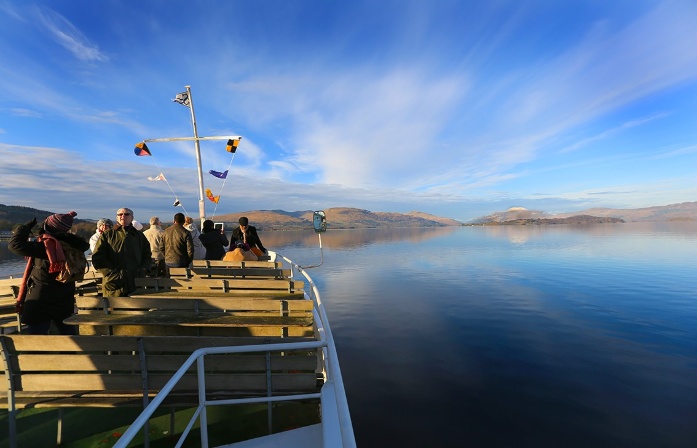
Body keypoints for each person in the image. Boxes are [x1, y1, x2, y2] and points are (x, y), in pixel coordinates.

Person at [8, 211, 89, 334]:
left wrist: (25, 228)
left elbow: (14, 245)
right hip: (64, 298)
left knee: (36, 338)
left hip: (40, 301)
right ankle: (71, 353)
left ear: (48, 226)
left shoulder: (47, 247)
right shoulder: (74, 245)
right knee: (67, 334)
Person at [91, 207, 152, 297]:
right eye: (120, 214)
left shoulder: (138, 235)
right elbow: (97, 258)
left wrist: (143, 269)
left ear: (132, 217)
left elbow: (147, 254)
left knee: (137, 309)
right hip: (113, 283)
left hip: (135, 281)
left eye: (126, 214)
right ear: (117, 218)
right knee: (114, 309)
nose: (123, 216)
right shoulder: (107, 235)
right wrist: (110, 273)